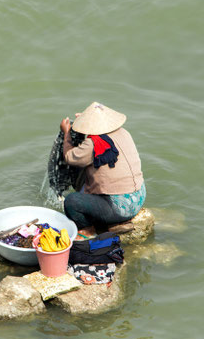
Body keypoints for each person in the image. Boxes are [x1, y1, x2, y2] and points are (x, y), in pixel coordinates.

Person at [60, 102, 145, 238]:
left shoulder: (93, 144)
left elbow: (70, 157)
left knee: (72, 202)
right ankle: (115, 221)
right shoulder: (124, 133)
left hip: (120, 208)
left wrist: (66, 135)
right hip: (139, 197)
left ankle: (88, 229)